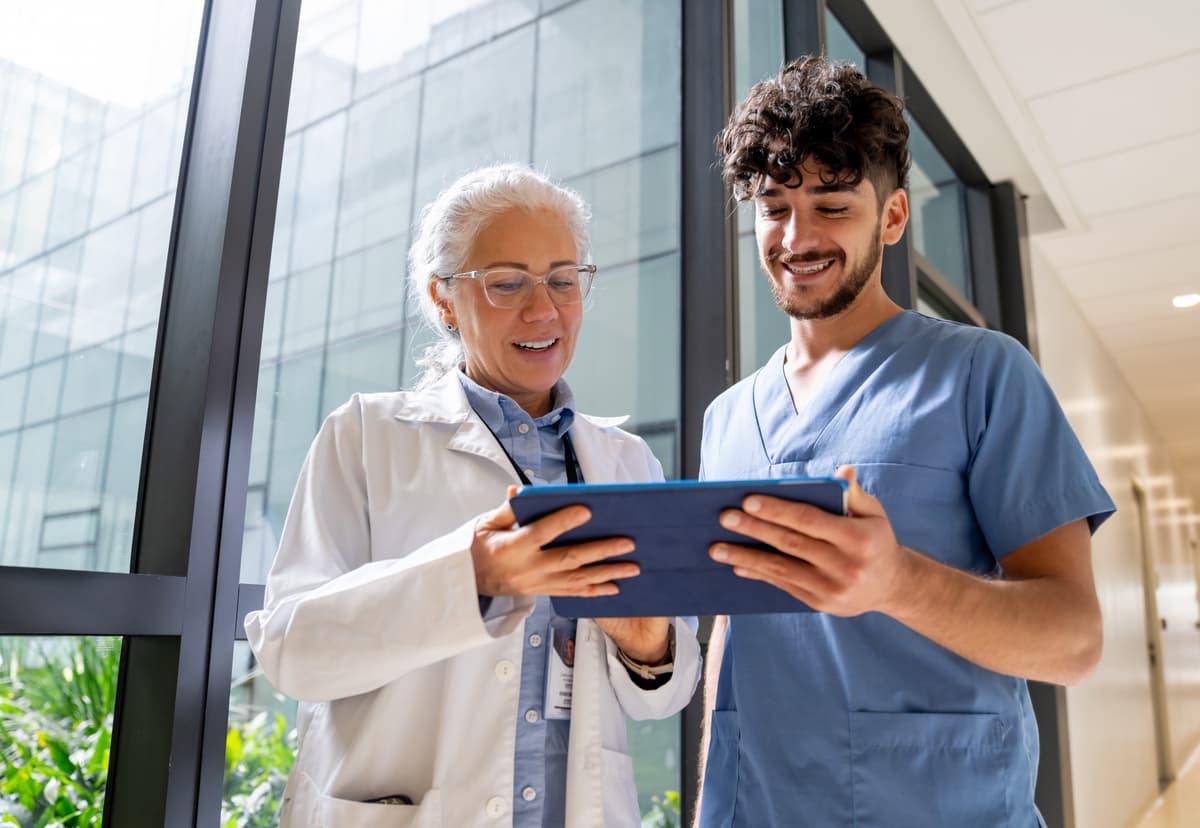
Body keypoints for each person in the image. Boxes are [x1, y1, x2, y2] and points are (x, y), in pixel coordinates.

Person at [694, 56, 1115, 827]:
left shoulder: (983, 375)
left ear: (891, 218)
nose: (798, 235)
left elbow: (1075, 641)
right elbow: (732, 633)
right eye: (775, 205)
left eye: (832, 204)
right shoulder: (728, 418)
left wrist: (899, 584)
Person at [246, 163, 699, 828]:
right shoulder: (367, 435)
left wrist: (647, 641)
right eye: (507, 282)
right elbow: (292, 650)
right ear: (443, 299)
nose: (542, 309)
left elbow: (664, 697)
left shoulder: (626, 462)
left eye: (563, 280)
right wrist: (473, 577)